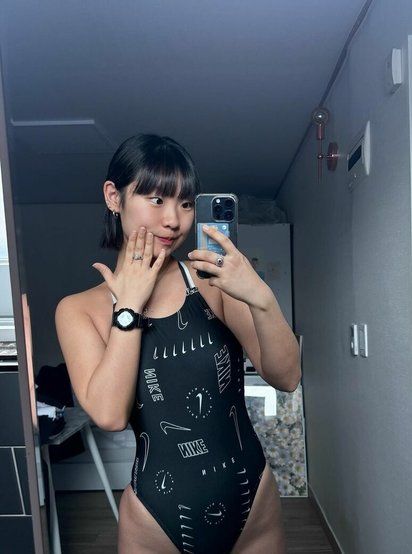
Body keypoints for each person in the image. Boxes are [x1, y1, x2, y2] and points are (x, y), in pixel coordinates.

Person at [55, 134, 301, 554]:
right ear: (114, 197)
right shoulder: (79, 310)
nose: (173, 220)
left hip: (252, 506)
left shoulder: (211, 282)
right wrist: (128, 308)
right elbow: (110, 415)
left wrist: (261, 297)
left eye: (186, 203)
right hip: (157, 521)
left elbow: (287, 377)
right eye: (156, 199)